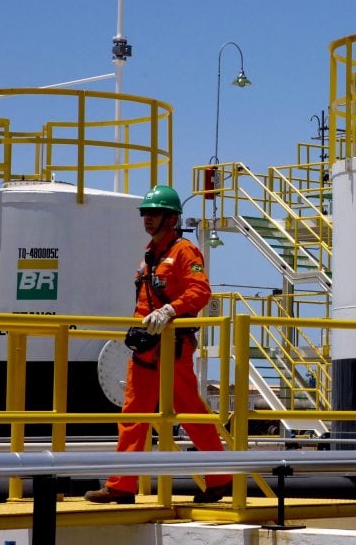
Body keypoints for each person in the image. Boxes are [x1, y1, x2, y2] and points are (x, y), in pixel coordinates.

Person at [85, 184, 232, 504]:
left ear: (172, 218)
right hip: (145, 347)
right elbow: (144, 300)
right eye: (145, 213)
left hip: (173, 347)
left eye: (154, 213)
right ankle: (121, 486)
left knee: (190, 412)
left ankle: (220, 476)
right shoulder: (151, 255)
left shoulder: (184, 252)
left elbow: (199, 292)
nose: (147, 219)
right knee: (133, 413)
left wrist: (169, 311)